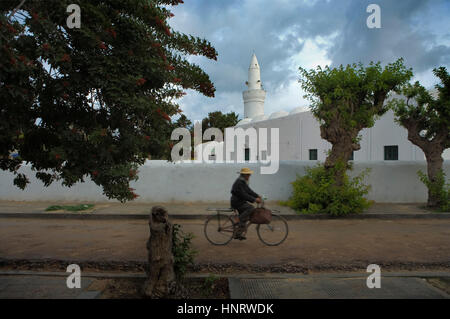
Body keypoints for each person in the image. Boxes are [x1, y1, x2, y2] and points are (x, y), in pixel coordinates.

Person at [230, 167, 262, 240]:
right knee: (251, 208)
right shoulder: (239, 182)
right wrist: (254, 199)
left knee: (246, 217)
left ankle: (238, 234)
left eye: (249, 175)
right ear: (244, 175)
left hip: (240, 201)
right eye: (248, 175)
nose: (249, 176)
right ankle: (238, 219)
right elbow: (243, 194)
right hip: (236, 202)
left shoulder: (243, 181)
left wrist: (257, 196)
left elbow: (249, 191)